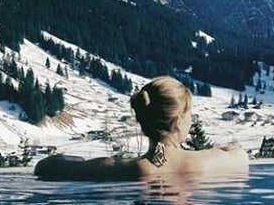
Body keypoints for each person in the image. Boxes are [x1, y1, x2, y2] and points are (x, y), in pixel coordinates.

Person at [34, 76, 249, 181]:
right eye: (189, 114)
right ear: (177, 124)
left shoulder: (131, 169)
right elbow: (240, 155)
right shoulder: (205, 163)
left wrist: (79, 161)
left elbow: (44, 167)